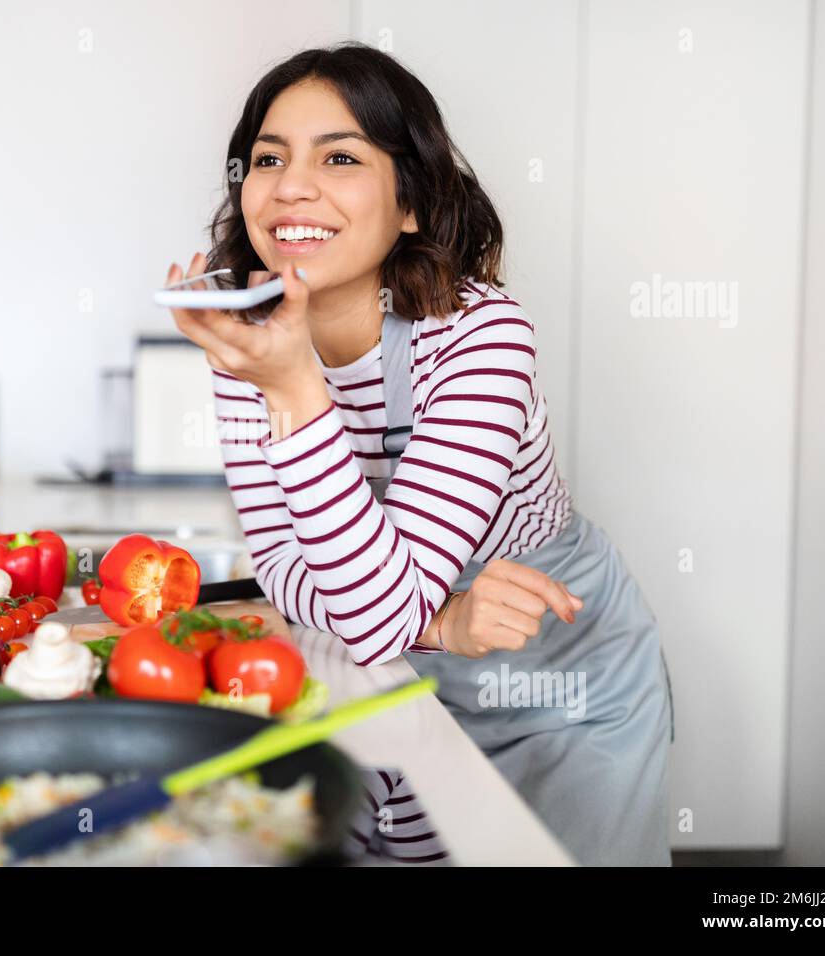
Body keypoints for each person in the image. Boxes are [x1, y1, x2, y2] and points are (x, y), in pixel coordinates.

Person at [165, 43, 673, 866]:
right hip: (403, 658)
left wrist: (296, 391)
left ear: (410, 201)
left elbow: (365, 607)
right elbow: (292, 578)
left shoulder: (481, 336)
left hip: (552, 679)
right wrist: (434, 622)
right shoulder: (251, 336)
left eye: (340, 156)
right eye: (267, 158)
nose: (292, 184)